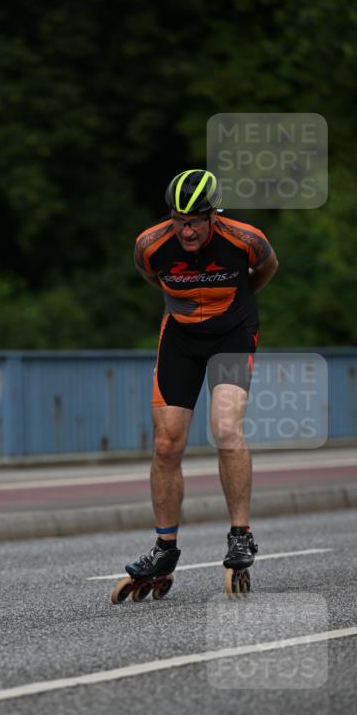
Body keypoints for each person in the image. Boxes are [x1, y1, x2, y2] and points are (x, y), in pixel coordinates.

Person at [126, 168, 278, 587]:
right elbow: (152, 276)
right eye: (179, 219)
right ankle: (164, 548)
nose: (186, 230)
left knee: (226, 428)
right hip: (180, 338)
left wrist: (239, 306)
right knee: (166, 442)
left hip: (232, 334)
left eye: (195, 220)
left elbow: (266, 269)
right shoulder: (150, 244)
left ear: (214, 214)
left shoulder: (245, 239)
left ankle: (241, 536)